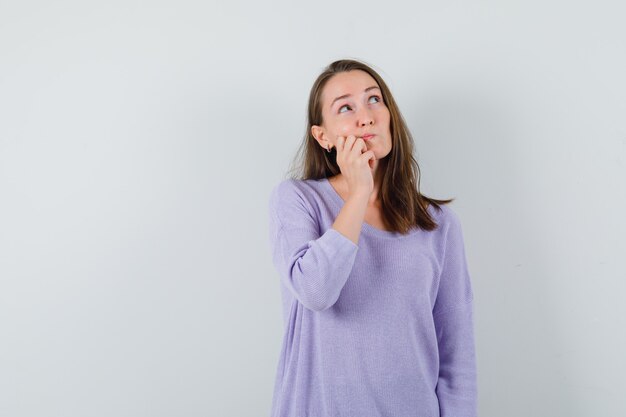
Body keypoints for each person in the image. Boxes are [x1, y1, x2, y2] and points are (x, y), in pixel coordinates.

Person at [267, 58, 477, 417]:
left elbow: (456, 354)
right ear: (323, 136)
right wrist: (359, 191)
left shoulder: (437, 225)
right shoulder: (298, 200)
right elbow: (315, 291)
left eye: (374, 100)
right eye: (345, 107)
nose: (365, 116)